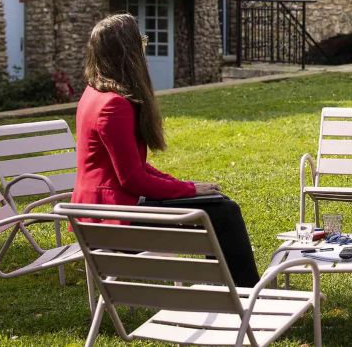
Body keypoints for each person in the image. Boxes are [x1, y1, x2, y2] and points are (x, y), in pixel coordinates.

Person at [72, 14, 260, 287]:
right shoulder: (114, 106)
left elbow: (132, 167)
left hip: (101, 215)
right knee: (224, 212)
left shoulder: (93, 93)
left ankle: (231, 291)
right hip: (116, 222)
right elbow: (132, 180)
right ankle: (247, 294)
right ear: (129, 51)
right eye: (142, 43)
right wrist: (188, 191)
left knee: (217, 206)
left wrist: (184, 186)